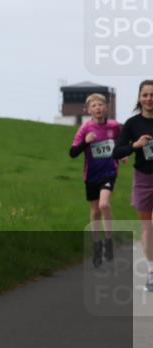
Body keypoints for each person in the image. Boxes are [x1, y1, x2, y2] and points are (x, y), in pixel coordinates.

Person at [69, 93, 121, 267]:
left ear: (106, 108)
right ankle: (96, 245)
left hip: (109, 171)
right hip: (91, 175)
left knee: (104, 205)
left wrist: (123, 153)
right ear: (88, 110)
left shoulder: (114, 126)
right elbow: (73, 153)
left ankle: (108, 241)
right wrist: (85, 142)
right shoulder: (85, 128)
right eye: (94, 105)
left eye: (100, 104)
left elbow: (122, 140)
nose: (98, 108)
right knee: (95, 212)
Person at [113, 80, 153, 292]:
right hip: (143, 179)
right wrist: (135, 145)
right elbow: (116, 153)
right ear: (139, 98)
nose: (149, 99)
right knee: (147, 228)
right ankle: (151, 272)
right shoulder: (131, 124)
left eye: (152, 95)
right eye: (145, 95)